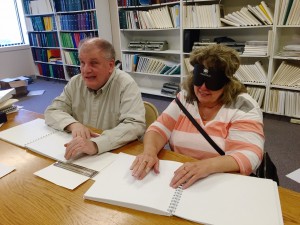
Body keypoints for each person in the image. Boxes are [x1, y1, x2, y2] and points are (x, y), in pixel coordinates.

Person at [130, 44, 264, 189]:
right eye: (199, 79)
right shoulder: (185, 98)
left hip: (221, 181)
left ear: (227, 83)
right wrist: (149, 152)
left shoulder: (244, 107)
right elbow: (158, 129)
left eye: (212, 82)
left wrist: (206, 166)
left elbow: (250, 155)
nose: (203, 88)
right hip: (180, 177)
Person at [45, 37, 146, 160]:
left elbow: (135, 125)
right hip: (79, 152)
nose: (86, 70)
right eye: (82, 62)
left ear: (110, 66)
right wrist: (73, 124)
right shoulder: (76, 82)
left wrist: (96, 144)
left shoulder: (125, 84)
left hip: (115, 155)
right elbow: (52, 111)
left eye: (94, 63)